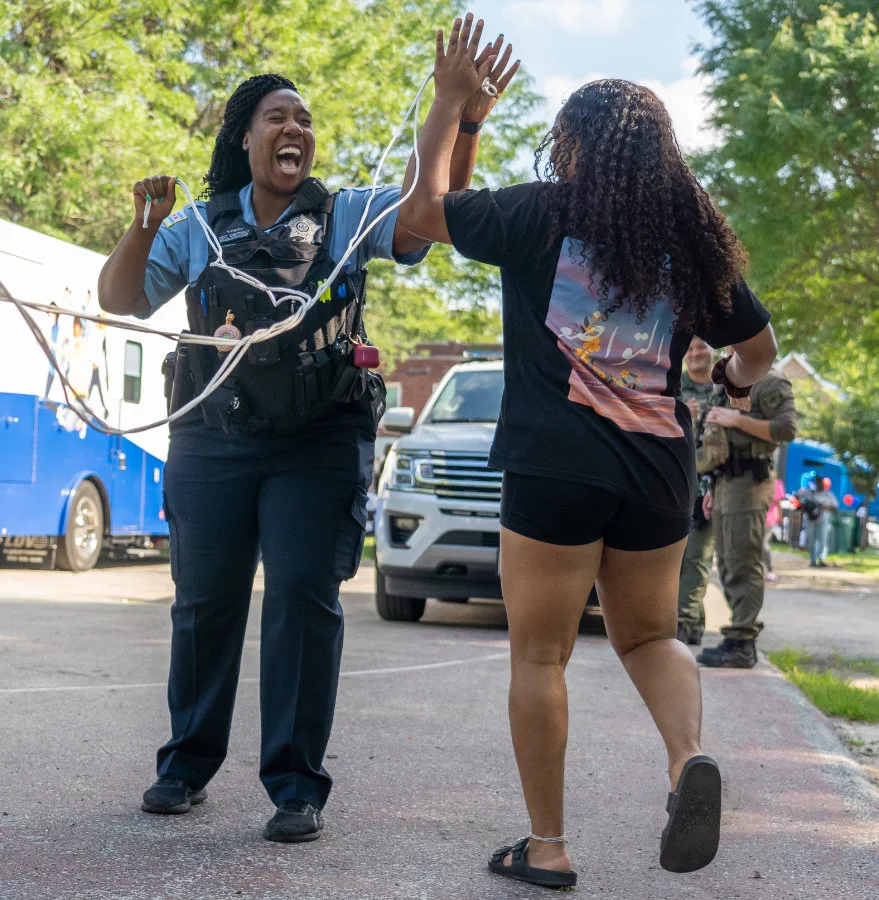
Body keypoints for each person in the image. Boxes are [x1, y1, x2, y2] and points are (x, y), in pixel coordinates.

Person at [97, 26, 518, 843]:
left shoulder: (348, 213)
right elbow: (120, 298)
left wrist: (455, 113)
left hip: (317, 443)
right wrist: (143, 224)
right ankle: (184, 766)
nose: (296, 130)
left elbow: (431, 217)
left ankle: (296, 786)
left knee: (301, 600)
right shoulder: (197, 226)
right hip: (212, 441)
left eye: (305, 120)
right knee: (204, 605)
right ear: (245, 134)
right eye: (278, 117)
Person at [398, 31, 778, 888]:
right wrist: (724, 378)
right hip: (657, 470)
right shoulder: (693, 248)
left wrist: (453, 104)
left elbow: (424, 215)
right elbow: (758, 352)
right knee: (648, 636)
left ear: (572, 146)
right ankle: (686, 762)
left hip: (556, 463)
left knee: (540, 655)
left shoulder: (539, 214)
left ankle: (547, 848)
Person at [696, 366, 797, 667]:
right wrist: (713, 485)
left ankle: (742, 641)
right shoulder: (727, 378)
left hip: (751, 483)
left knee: (743, 561)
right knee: (726, 563)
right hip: (726, 482)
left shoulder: (770, 380)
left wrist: (736, 418)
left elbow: (786, 429)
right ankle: (738, 635)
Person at [676, 337, 718, 646]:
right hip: (677, 481)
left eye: (701, 346)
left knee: (697, 556)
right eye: (689, 349)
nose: (695, 354)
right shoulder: (672, 386)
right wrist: (682, 416)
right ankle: (692, 621)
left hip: (714, 481)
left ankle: (685, 623)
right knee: (681, 557)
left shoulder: (727, 386)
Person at [797, 476, 838, 567]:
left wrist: (824, 506)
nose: (820, 485)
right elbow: (796, 496)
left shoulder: (828, 494)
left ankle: (821, 559)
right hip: (810, 519)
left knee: (822, 539)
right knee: (811, 539)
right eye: (818, 483)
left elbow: (835, 506)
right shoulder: (808, 492)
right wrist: (803, 506)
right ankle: (813, 559)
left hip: (823, 519)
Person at [763, 477, 786, 582]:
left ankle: (770, 569)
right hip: (756, 518)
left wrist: (781, 517)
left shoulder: (776, 483)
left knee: (762, 544)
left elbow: (778, 502)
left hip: (770, 518)